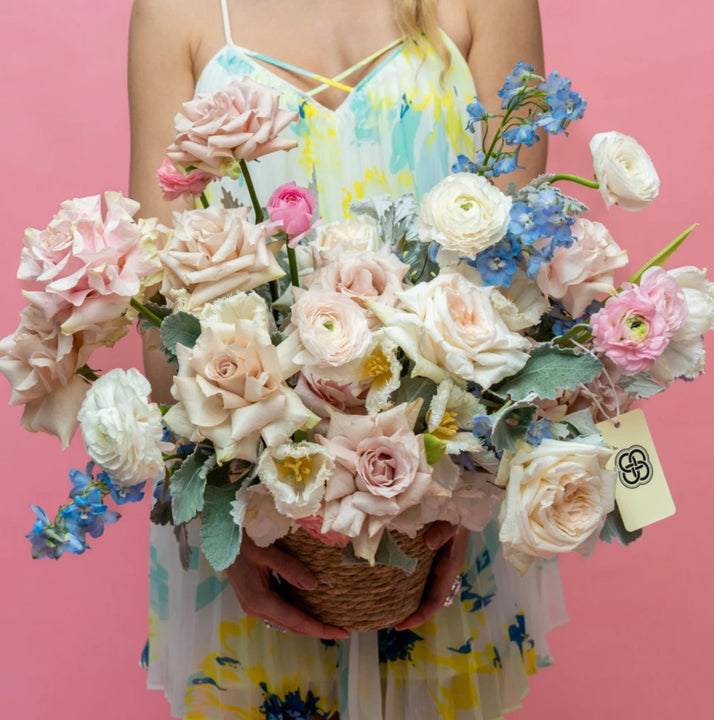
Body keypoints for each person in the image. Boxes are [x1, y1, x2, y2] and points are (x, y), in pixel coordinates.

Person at [128, 0, 566, 717]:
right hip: (255, 499)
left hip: (446, 483)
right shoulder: (178, 14)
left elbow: (512, 273)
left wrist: (459, 495)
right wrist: (230, 519)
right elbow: (158, 297)